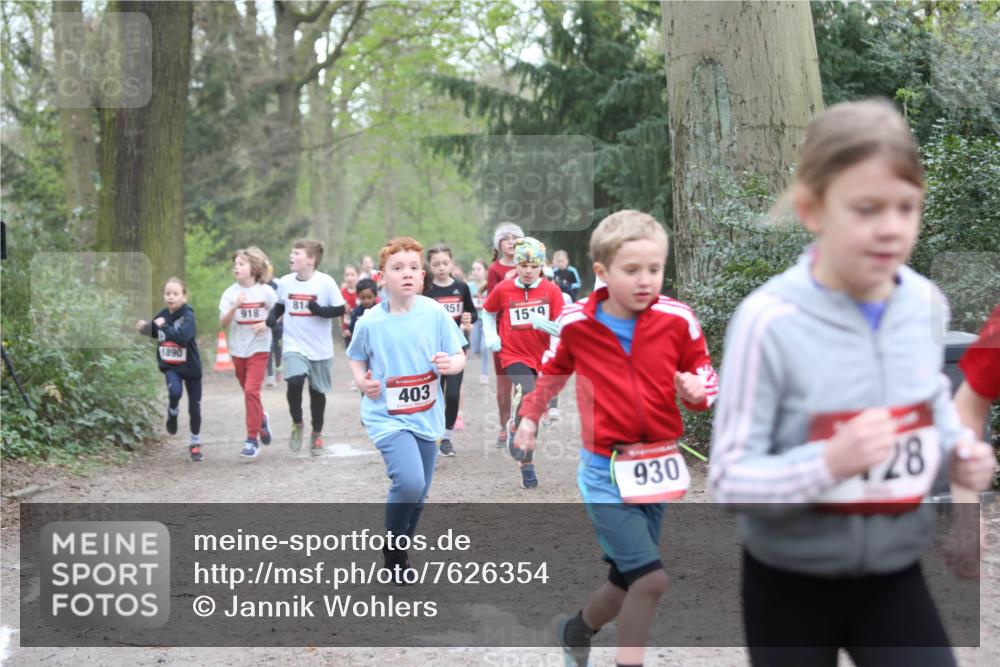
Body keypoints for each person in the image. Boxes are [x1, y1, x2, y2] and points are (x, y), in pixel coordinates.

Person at [708, 99, 995, 667]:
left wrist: (960, 449)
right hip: (788, 581)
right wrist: (829, 462)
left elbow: (931, 403)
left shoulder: (924, 304)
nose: (891, 228)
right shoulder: (768, 322)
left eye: (906, 207)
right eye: (866, 209)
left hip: (893, 571)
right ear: (813, 209)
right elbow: (729, 479)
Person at [513, 211, 716, 667]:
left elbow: (704, 372)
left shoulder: (678, 319)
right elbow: (553, 372)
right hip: (605, 471)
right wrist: (529, 418)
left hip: (656, 466)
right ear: (602, 273)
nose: (646, 281)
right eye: (632, 271)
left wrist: (700, 392)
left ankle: (575, 630)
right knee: (651, 581)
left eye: (655, 269)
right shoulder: (579, 323)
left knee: (628, 579)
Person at [347, 237, 466, 581]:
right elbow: (356, 357)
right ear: (383, 275)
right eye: (398, 268)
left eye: (414, 267)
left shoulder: (434, 313)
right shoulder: (370, 321)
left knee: (421, 490)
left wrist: (451, 364)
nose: (407, 274)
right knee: (410, 481)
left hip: (427, 414)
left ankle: (398, 547)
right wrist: (362, 382)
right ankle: (395, 548)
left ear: (423, 274)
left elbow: (458, 354)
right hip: (387, 416)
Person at [483, 237, 564, 489]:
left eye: (534, 265)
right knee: (528, 392)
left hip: (541, 357)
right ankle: (524, 456)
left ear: (542, 266)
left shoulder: (552, 291)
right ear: (516, 264)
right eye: (523, 265)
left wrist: (546, 325)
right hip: (513, 354)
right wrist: (492, 336)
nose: (528, 270)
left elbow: (563, 328)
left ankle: (525, 458)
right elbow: (487, 312)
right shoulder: (504, 289)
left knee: (534, 411)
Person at [266, 239, 346, 455]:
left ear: (311, 260)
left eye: (297, 253)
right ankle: (297, 423)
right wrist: (272, 317)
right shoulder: (285, 282)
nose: (291, 257)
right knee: (294, 382)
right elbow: (281, 304)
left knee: (317, 393)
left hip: (319, 348)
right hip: (294, 344)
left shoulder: (325, 282)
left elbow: (340, 308)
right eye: (291, 253)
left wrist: (320, 310)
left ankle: (317, 434)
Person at [136, 278, 204, 462]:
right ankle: (172, 411)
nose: (171, 297)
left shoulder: (188, 315)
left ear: (184, 296)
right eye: (168, 293)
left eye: (175, 294)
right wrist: (144, 327)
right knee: (175, 392)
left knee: (194, 408)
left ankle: (195, 443)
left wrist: (162, 326)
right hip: (171, 366)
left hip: (191, 368)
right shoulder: (163, 313)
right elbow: (153, 331)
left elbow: (183, 337)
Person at [219, 247, 277, 460]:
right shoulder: (230, 293)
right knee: (248, 392)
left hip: (259, 348)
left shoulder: (266, 292)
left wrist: (266, 323)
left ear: (253, 268)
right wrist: (235, 306)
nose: (236, 267)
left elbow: (277, 313)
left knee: (252, 391)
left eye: (241, 264)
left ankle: (251, 440)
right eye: (235, 264)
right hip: (238, 349)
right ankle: (260, 418)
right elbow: (222, 323)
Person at [423, 243, 477, 456]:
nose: (441, 267)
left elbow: (472, 313)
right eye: (436, 264)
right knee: (433, 395)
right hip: (433, 349)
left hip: (456, 347)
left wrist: (468, 318)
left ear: (452, 263)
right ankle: (430, 437)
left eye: (445, 263)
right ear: (429, 266)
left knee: (453, 395)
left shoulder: (462, 287)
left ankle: (446, 438)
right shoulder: (427, 291)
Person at [487, 222, 525, 448]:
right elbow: (492, 304)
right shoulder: (494, 270)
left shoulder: (529, 266)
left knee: (525, 382)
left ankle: (519, 426)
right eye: (506, 238)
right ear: (498, 244)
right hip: (502, 332)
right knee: (504, 386)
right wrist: (508, 280)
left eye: (515, 237)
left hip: (525, 333)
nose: (511, 241)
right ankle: (503, 425)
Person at [467, 260, 491, 385]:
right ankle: (477, 351)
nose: (475, 272)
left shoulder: (489, 286)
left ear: (485, 271)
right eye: (473, 269)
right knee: (475, 349)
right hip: (475, 321)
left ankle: (484, 373)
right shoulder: (469, 286)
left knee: (485, 347)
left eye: (478, 269)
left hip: (487, 321)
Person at [263, 261, 282, 387]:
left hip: (279, 323)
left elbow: (282, 302)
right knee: (269, 348)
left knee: (278, 347)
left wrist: (281, 316)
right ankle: (270, 375)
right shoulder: (259, 287)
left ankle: (278, 367)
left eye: (267, 272)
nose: (266, 275)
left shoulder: (277, 284)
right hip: (266, 322)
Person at [341, 264, 360, 345]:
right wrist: (344, 329)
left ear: (358, 276)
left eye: (352, 275)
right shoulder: (341, 292)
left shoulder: (361, 291)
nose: (349, 278)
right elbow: (340, 314)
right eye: (347, 275)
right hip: (347, 331)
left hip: (360, 329)